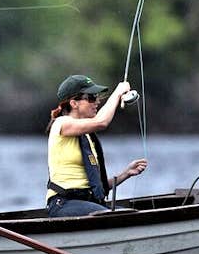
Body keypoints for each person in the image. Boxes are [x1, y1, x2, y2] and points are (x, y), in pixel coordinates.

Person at [46, 74, 148, 217]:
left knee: (135, 215)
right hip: (64, 203)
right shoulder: (61, 124)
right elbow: (102, 122)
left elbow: (96, 185)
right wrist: (117, 93)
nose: (97, 102)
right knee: (115, 217)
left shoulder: (87, 135)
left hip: (89, 203)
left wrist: (126, 174)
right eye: (92, 98)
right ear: (74, 103)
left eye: (97, 97)